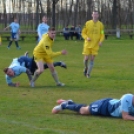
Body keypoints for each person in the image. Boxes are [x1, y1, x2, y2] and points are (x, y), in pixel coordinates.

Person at [52, 93, 134, 121]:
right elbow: (125, 117)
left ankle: (70, 102)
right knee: (83, 111)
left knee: (84, 110)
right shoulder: (127, 98)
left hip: (109, 109)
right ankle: (65, 105)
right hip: (104, 106)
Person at [81, 11, 105, 78]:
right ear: (92, 15)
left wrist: (100, 41)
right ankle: (86, 68)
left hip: (95, 45)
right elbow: (83, 33)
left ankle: (88, 74)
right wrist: (86, 37)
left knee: (92, 59)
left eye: (96, 14)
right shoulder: (87, 23)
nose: (95, 15)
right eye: (94, 14)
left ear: (98, 15)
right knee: (86, 59)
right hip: (87, 44)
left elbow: (102, 34)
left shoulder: (101, 25)